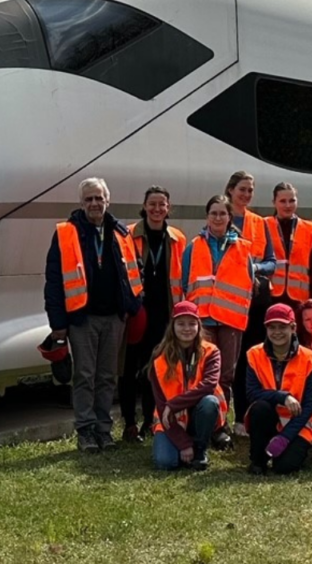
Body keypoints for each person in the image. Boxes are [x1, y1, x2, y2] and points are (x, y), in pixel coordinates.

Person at [44, 178, 144, 453]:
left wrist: (133, 307)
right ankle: (86, 430)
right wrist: (58, 325)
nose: (94, 204)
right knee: (85, 375)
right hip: (82, 318)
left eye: (99, 198)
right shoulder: (66, 233)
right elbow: (53, 282)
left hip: (115, 317)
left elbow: (135, 272)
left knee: (108, 376)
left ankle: (104, 429)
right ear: (81, 203)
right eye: (88, 199)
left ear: (107, 201)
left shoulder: (120, 232)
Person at [180, 195, 253, 428]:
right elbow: (184, 282)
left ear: (230, 217)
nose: (218, 217)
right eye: (214, 213)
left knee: (226, 377)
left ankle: (220, 425)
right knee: (200, 374)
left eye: (223, 213)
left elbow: (249, 282)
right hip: (202, 321)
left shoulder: (243, 248)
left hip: (231, 322)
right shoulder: (193, 246)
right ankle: (200, 423)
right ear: (207, 217)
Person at [122, 186, 186, 444]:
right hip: (136, 314)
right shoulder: (128, 235)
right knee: (128, 369)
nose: (157, 209)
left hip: (164, 315)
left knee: (155, 370)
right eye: (153, 204)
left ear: (168, 208)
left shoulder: (178, 238)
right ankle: (129, 424)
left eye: (162, 204)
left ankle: (150, 420)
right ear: (144, 206)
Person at [227, 171, 276, 437]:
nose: (246, 194)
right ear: (231, 190)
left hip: (257, 300)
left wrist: (254, 267)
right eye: (242, 189)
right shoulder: (221, 216)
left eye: (250, 190)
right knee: (230, 360)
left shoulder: (259, 222)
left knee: (252, 357)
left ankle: (248, 414)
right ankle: (228, 419)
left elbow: (271, 261)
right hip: (230, 301)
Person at [150, 301, 227, 471]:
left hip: (200, 415)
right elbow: (162, 405)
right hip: (171, 420)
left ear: (199, 326)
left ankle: (200, 450)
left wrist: (174, 404)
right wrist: (183, 443)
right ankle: (186, 444)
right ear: (172, 326)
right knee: (166, 462)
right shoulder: (159, 357)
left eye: (192, 323)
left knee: (210, 402)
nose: (187, 329)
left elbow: (208, 386)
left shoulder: (211, 352)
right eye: (181, 324)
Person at [244, 303, 312, 476]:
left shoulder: (309, 358)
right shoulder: (254, 354)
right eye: (272, 327)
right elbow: (251, 393)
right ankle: (258, 460)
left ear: (293, 328)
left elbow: (309, 404)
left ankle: (303, 448)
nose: (276, 332)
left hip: (299, 423)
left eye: (282, 327)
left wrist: (285, 437)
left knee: (284, 467)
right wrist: (282, 397)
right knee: (259, 408)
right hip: (269, 416)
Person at [264, 183, 312, 310]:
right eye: (283, 201)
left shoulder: (309, 228)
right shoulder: (264, 225)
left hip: (299, 300)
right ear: (274, 202)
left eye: (292, 201)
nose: (288, 205)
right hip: (270, 296)